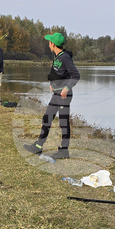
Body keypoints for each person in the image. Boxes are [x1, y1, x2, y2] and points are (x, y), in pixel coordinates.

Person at [23, 32, 78, 160]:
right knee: (47, 118)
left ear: (53, 44)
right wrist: (52, 83)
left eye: (49, 42)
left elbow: (75, 75)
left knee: (64, 122)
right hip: (56, 93)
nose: (48, 43)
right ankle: (38, 146)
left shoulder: (65, 58)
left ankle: (64, 151)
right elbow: (57, 73)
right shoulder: (57, 57)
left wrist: (66, 88)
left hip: (64, 95)